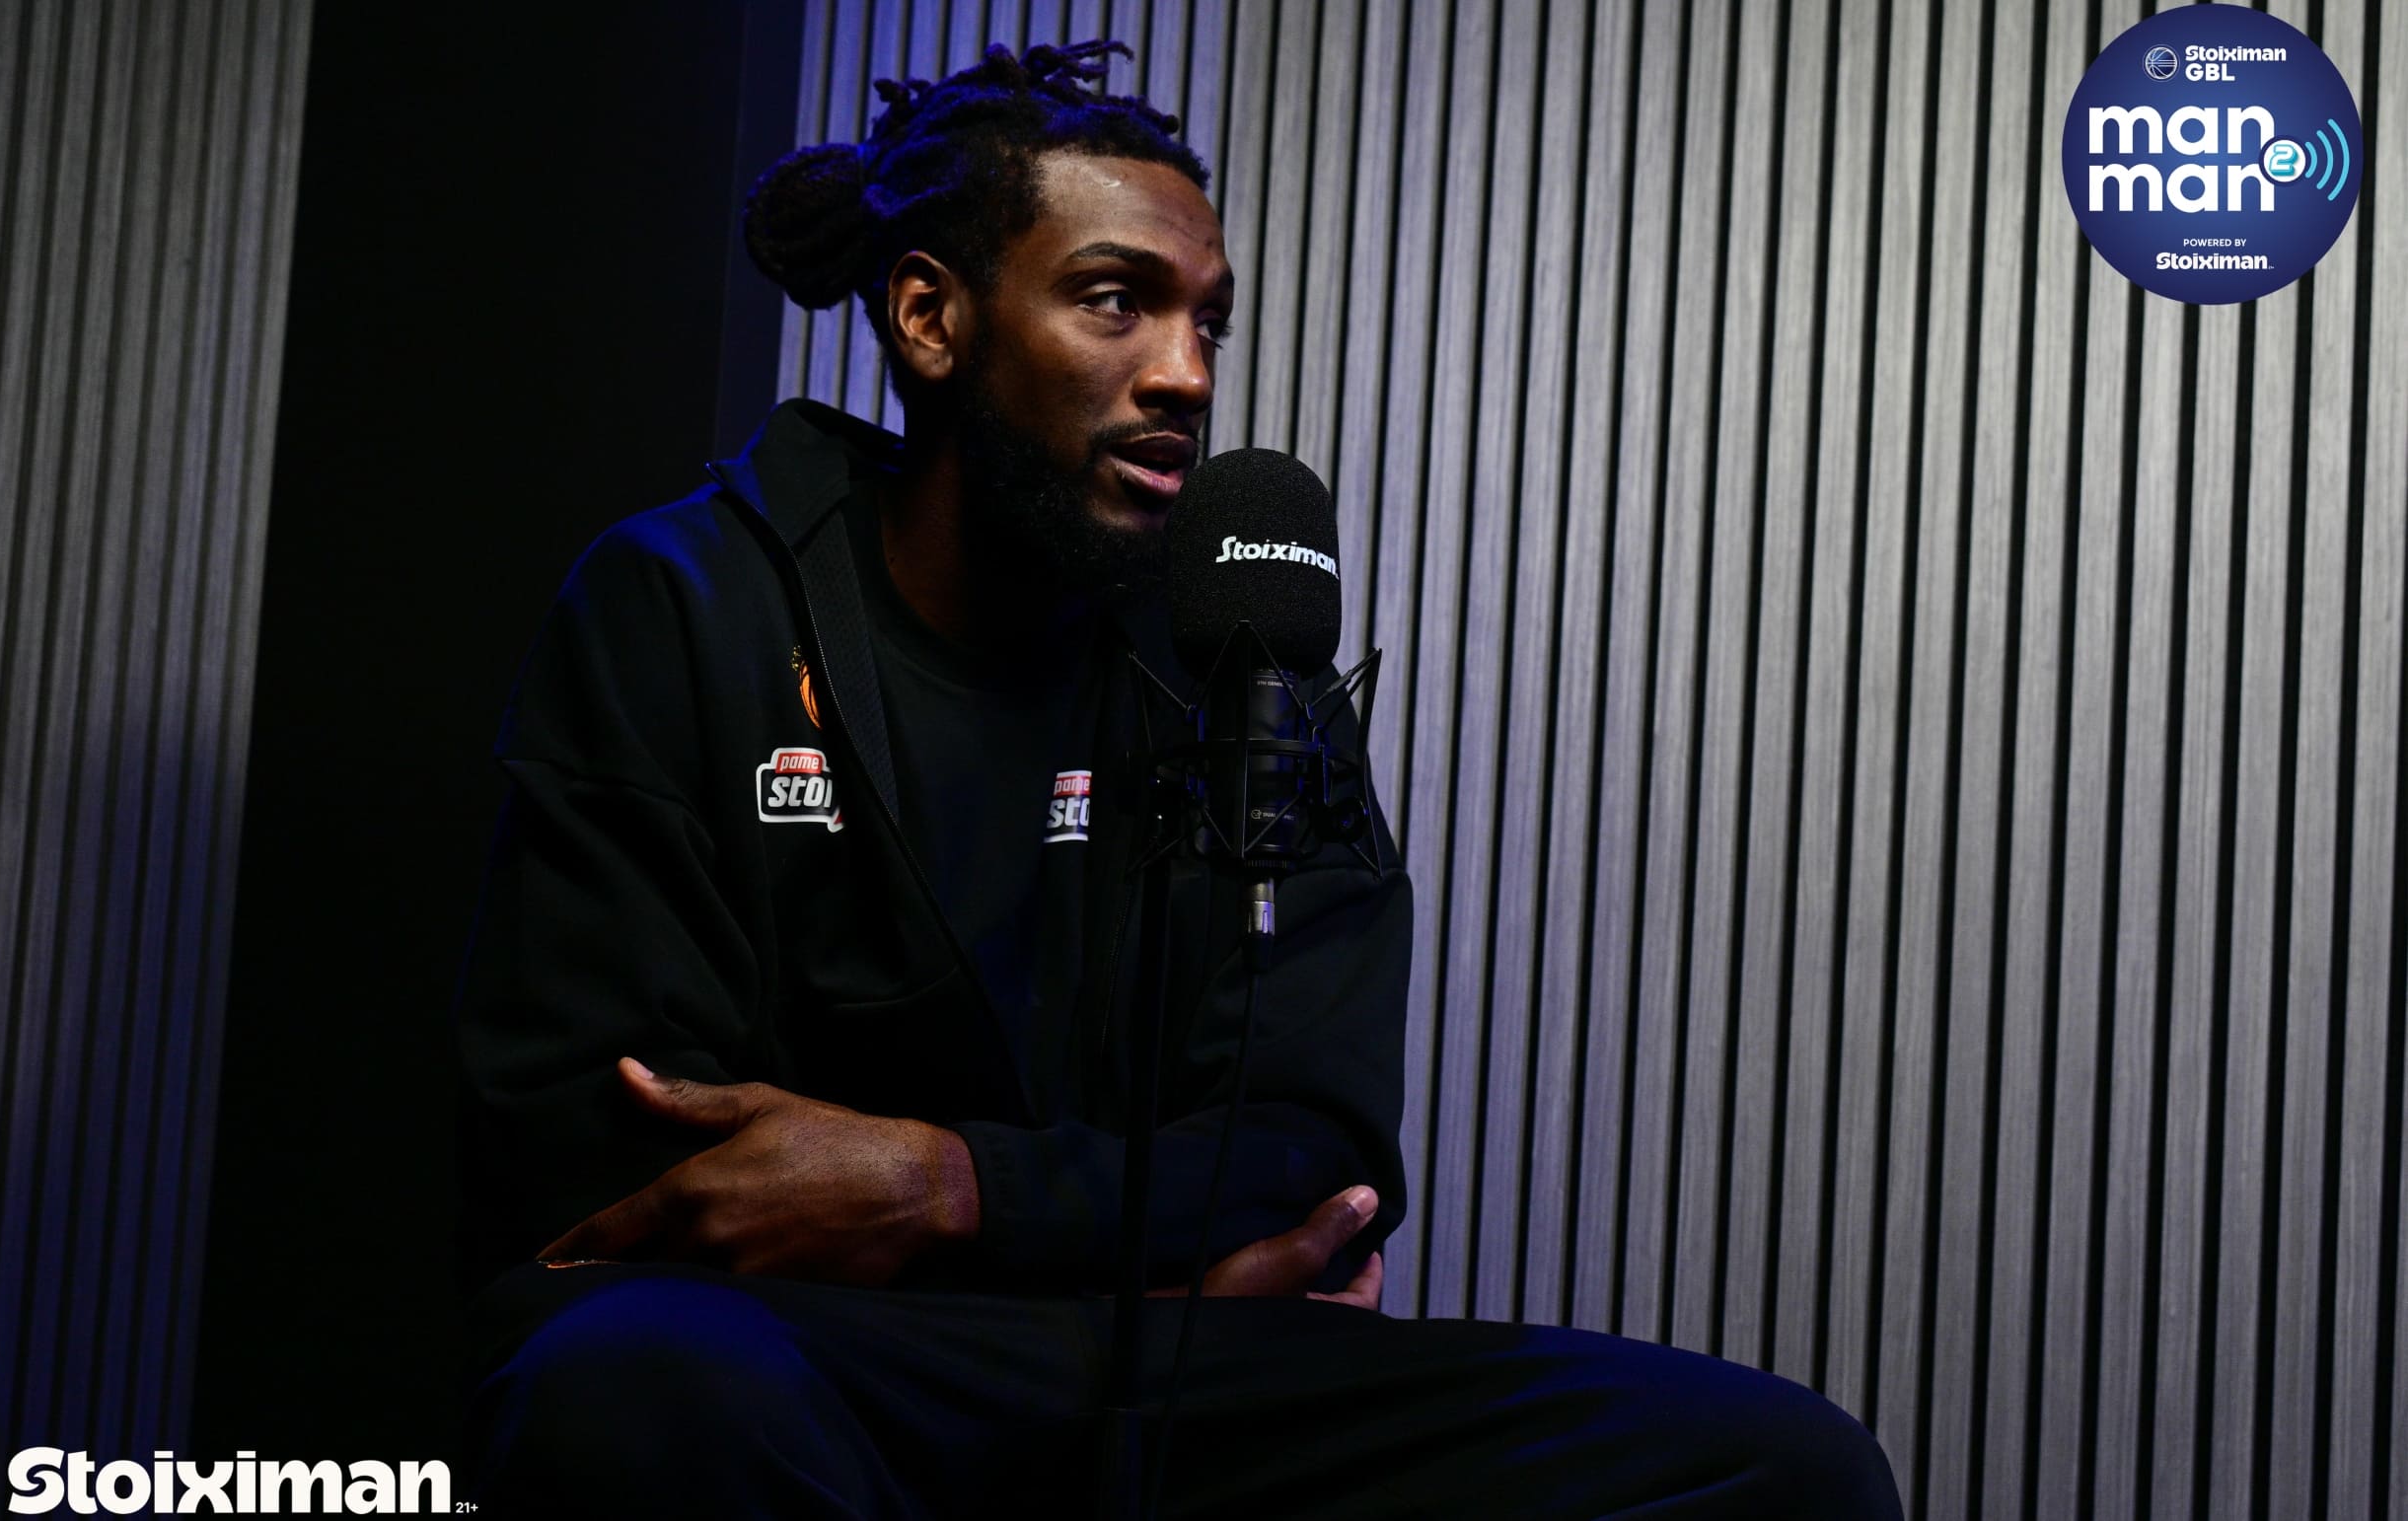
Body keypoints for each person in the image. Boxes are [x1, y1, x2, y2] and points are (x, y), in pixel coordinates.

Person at [454, 37, 1902, 1519]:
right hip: (826, 1358)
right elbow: (635, 1157)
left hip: (1166, 1352)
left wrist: (947, 1184)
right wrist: (1134, 1246)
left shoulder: (1239, 644)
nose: (1186, 373)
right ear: (930, 316)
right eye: (1115, 301)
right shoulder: (688, 601)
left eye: (1208, 318)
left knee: (1783, 1464)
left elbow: (1313, 1151)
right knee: (631, 1380)